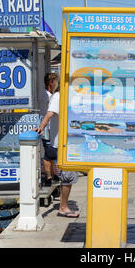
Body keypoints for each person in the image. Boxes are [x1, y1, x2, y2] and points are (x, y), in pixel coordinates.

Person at [37, 73, 80, 217]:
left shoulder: (67, 96)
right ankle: (63, 207)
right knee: (68, 175)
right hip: (63, 143)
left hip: (70, 142)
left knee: (69, 176)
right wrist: (41, 128)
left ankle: (64, 205)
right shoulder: (58, 97)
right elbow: (49, 115)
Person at [39, 73, 57, 186]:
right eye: (56, 82)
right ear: (51, 83)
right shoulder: (46, 95)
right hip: (46, 126)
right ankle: (48, 177)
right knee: (48, 153)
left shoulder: (50, 94)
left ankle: (52, 175)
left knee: (50, 151)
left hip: (50, 126)